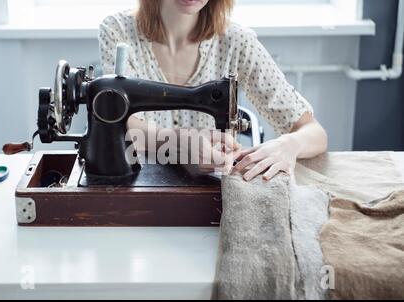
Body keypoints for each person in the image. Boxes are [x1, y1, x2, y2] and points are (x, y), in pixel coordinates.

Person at [99, 0, 328, 181]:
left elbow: (313, 132)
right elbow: (120, 122)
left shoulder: (237, 42)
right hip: (137, 188)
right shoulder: (118, 31)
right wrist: (177, 142)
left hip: (212, 197)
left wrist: (289, 145)